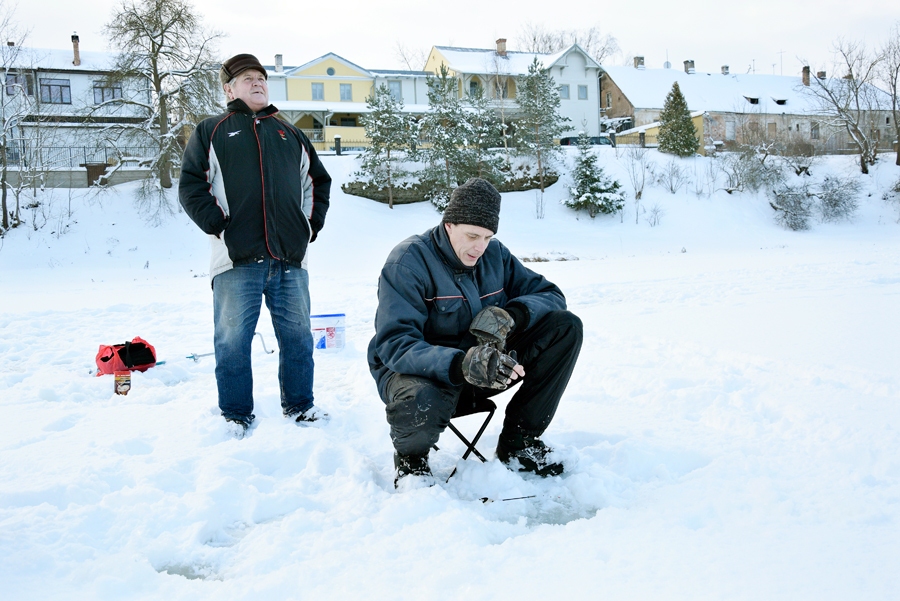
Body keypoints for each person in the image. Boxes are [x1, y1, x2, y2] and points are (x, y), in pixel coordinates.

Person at [368, 177, 583, 487]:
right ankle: (412, 460)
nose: (480, 247)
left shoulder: (495, 255)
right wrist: (459, 363)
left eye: (487, 236)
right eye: (472, 235)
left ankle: (519, 443)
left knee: (566, 326)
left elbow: (550, 294)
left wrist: (513, 315)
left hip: (484, 370)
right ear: (449, 225)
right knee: (420, 397)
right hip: (423, 376)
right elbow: (395, 344)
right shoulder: (408, 262)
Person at [179, 53, 332, 437]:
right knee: (232, 341)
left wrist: (307, 228)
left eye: (261, 77)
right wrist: (218, 225)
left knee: (297, 338)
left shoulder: (289, 133)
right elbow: (191, 185)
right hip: (237, 258)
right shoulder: (212, 130)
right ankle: (235, 416)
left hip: (289, 258)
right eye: (248, 78)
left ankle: (300, 407)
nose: (258, 83)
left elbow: (317, 182)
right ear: (229, 88)